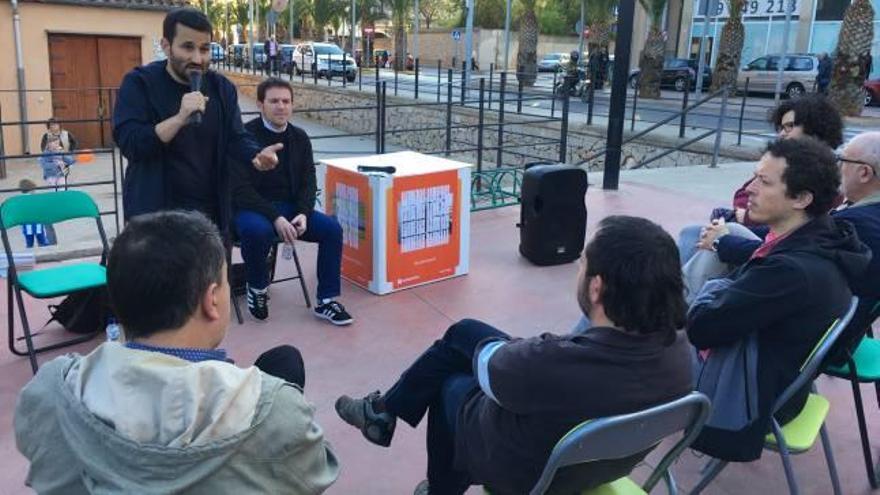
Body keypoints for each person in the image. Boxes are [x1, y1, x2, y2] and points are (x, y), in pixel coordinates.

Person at [336, 216, 693, 495]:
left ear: (596, 288)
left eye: (582, 263)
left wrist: (536, 349)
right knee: (465, 333)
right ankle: (383, 412)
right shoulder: (679, 352)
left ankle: (430, 472)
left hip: (528, 475)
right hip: (602, 463)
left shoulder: (554, 363)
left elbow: (498, 366)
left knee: (451, 379)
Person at [14, 210, 339, 493]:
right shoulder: (276, 411)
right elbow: (317, 470)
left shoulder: (51, 392)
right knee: (283, 364)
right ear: (211, 300)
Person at [687, 137, 871, 462]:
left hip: (751, 399)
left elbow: (701, 328)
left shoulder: (790, 272)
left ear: (801, 198)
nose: (750, 189)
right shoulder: (829, 239)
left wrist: (714, 288)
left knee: (633, 331)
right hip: (785, 380)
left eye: (764, 181)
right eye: (755, 176)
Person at [113, 7, 281, 231]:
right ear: (166, 46)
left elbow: (236, 137)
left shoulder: (222, 88)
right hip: (154, 217)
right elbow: (131, 144)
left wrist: (256, 154)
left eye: (205, 49)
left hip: (211, 215)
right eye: (187, 47)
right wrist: (180, 118)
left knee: (217, 267)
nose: (197, 58)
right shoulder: (139, 83)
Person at [233, 78, 352, 325]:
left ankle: (326, 300)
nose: (281, 107)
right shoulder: (245, 137)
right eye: (274, 101)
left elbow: (309, 181)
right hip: (251, 208)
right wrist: (275, 218)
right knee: (257, 231)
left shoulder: (299, 137)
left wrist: (304, 213)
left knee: (332, 229)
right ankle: (257, 287)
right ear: (260, 104)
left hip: (289, 207)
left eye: (286, 101)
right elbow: (239, 189)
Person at [678, 95, 844, 267]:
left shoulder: (824, 175)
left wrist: (727, 235)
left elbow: (795, 223)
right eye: (781, 127)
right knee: (694, 233)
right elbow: (742, 196)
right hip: (770, 237)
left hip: (778, 245)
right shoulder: (784, 162)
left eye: (790, 126)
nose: (781, 134)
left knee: (718, 236)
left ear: (815, 129)